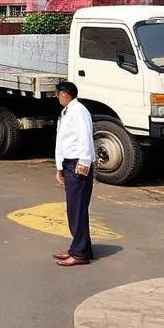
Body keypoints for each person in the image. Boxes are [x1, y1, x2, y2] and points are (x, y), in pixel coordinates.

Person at [53, 81, 95, 266]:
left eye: (58, 94)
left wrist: (83, 165)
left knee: (76, 210)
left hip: (78, 164)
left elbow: (85, 138)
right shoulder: (68, 111)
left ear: (65, 94)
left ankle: (79, 254)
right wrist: (59, 167)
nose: (57, 97)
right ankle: (81, 248)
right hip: (69, 164)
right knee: (75, 210)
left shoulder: (79, 111)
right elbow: (63, 141)